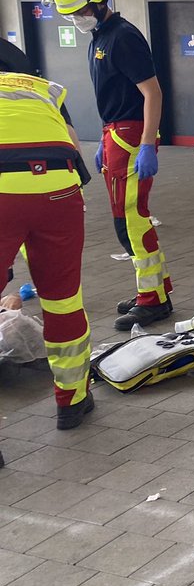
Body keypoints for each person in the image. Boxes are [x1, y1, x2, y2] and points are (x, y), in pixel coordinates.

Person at [43, 0, 173, 330]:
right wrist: (105, 136)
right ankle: (156, 289)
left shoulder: (123, 37)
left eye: (81, 12)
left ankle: (153, 301)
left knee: (130, 221)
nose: (77, 20)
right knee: (128, 218)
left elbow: (152, 92)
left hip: (130, 137)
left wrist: (146, 143)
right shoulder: (101, 36)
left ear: (99, 4)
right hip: (115, 134)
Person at [0, 72, 94, 429]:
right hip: (59, 186)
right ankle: (72, 402)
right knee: (63, 300)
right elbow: (73, 144)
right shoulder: (41, 87)